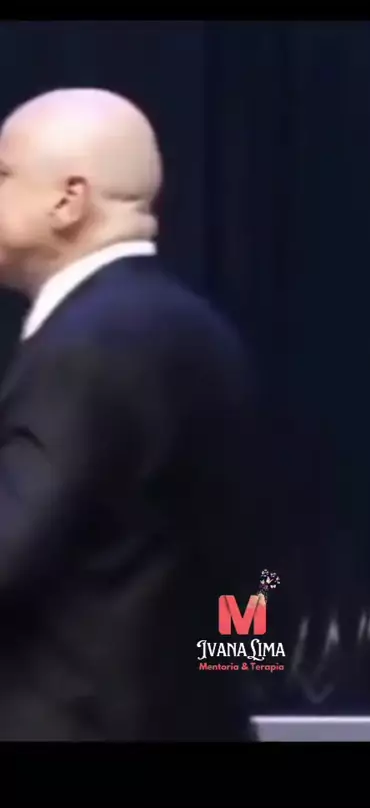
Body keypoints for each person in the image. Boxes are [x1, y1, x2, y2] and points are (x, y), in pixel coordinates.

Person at [0, 88, 258, 740]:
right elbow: (246, 583)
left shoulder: (85, 348)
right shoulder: (202, 332)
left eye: (3, 174)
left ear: (69, 200)